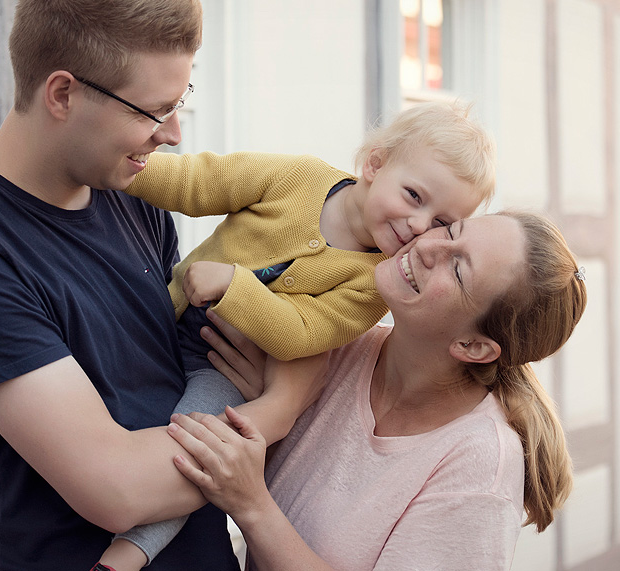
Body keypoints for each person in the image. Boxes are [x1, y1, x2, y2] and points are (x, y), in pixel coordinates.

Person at [0, 0, 320, 571]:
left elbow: (199, 375)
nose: (173, 134)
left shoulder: (132, 200)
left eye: (182, 103)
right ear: (63, 94)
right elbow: (117, 490)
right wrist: (281, 406)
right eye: (152, 111)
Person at [105, 103, 495, 566]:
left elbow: (302, 334)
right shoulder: (298, 177)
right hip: (166, 316)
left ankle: (127, 554)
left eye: (438, 223)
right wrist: (116, 169)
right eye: (414, 196)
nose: (417, 225)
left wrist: (235, 286)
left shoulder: (375, 283)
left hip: (219, 368)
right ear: (375, 163)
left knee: (200, 451)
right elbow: (202, 181)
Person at [163, 211, 588, 571]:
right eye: (452, 230)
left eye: (458, 269)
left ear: (474, 347)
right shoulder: (330, 344)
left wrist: (251, 504)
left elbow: (259, 495)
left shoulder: (478, 468)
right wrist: (272, 410)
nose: (427, 246)